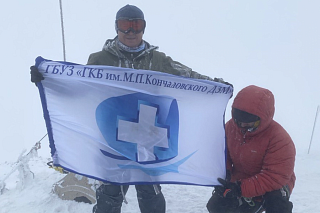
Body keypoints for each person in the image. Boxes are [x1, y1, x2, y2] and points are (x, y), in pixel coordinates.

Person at [31, 4, 231, 213]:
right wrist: (47, 79)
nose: (130, 32)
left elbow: (187, 78)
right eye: (125, 25)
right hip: (111, 140)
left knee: (150, 195)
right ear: (116, 28)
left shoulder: (157, 60)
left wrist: (214, 86)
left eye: (136, 25)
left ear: (144, 28)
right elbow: (81, 88)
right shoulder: (100, 60)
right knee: (109, 196)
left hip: (148, 139)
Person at [206, 85, 296, 213]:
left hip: (274, 184)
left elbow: (274, 177)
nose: (242, 126)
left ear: (263, 118)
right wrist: (226, 176)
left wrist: (241, 189)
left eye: (249, 123)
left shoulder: (279, 139)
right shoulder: (230, 128)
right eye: (239, 121)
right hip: (240, 179)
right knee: (216, 206)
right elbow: (222, 155)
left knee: (278, 206)